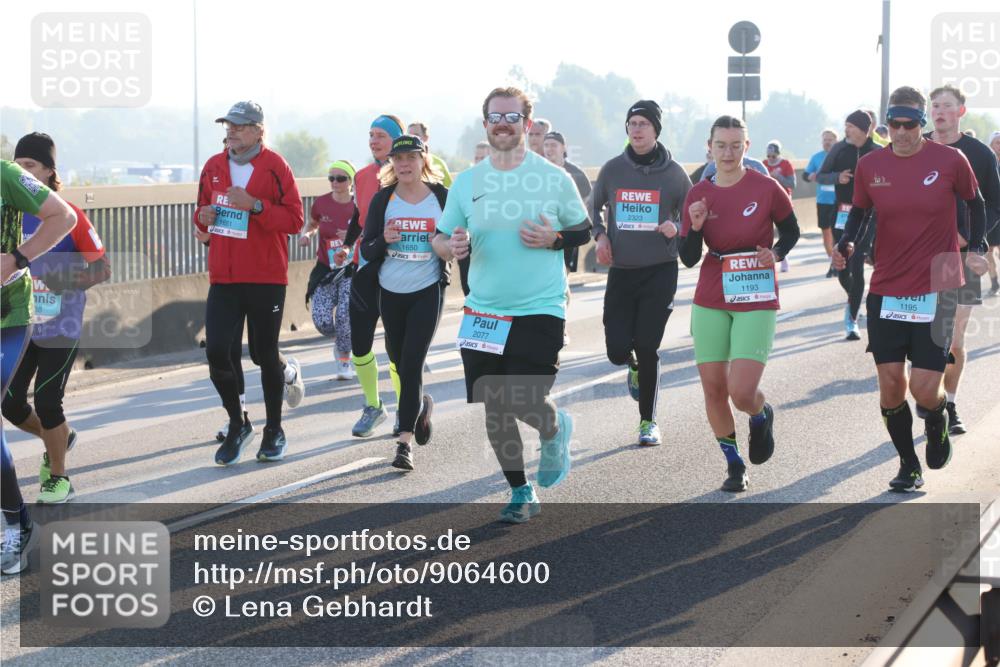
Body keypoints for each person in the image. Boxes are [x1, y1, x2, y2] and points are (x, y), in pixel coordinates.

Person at [433, 87, 591, 523]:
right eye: (495, 117)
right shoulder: (467, 182)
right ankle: (521, 490)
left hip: (540, 306)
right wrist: (450, 247)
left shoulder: (553, 178)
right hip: (483, 311)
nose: (503, 124)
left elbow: (583, 230)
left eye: (512, 117)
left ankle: (554, 428)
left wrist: (555, 238)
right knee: (494, 404)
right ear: (486, 123)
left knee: (521, 397)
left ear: (527, 122)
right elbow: (440, 238)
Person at [833, 86, 988, 492]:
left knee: (923, 389)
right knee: (890, 384)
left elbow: (976, 203)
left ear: (921, 123)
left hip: (939, 281)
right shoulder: (871, 165)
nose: (901, 132)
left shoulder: (951, 160)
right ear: (886, 124)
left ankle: (936, 417)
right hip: (888, 283)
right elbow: (860, 212)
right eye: (894, 124)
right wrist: (846, 243)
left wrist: (977, 245)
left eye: (909, 124)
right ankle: (908, 465)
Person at [680, 116, 799, 492]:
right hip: (712, 292)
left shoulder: (766, 187)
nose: (728, 153)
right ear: (709, 148)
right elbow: (687, 257)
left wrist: (775, 253)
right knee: (714, 390)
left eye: (736, 145)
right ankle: (734, 464)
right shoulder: (698, 193)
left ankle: (760, 414)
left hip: (756, 291)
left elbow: (791, 230)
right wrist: (695, 227)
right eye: (721, 145)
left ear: (746, 147)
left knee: (741, 392)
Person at [194, 101, 305, 465]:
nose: (232, 132)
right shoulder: (213, 167)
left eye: (240, 126)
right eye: (228, 126)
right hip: (224, 277)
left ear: (259, 131)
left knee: (263, 354)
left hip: (265, 276)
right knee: (217, 352)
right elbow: (201, 219)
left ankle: (274, 429)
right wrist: (203, 217)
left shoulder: (275, 166)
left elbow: (295, 219)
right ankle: (238, 423)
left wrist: (255, 206)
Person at [2, 133, 110, 505]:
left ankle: (58, 477)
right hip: (21, 323)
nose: (22, 172)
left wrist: (65, 279)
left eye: (30, 166)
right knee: (10, 404)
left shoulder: (69, 215)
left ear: (49, 172)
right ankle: (59, 436)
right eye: (17, 165)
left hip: (61, 325)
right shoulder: (9, 214)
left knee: (48, 401)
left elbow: (102, 268)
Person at [591, 100, 691, 446]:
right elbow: (592, 209)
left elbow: (692, 216)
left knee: (648, 346)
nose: (636, 129)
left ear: (656, 130)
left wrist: (677, 227)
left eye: (643, 124)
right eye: (632, 123)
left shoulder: (674, 173)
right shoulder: (613, 169)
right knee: (617, 350)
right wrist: (600, 236)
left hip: (660, 270)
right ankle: (630, 364)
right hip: (622, 270)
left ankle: (648, 421)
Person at [1, 159, 76, 573]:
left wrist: (16, 259)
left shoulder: (6, 175)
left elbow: (64, 217)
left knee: (21, 404)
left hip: (10, 316)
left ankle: (17, 523)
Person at [361, 135, 450, 470]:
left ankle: (404, 444)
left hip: (427, 289)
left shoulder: (441, 197)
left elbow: (459, 238)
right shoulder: (383, 199)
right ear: (392, 164)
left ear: (423, 159)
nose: (404, 164)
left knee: (412, 364)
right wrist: (383, 240)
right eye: (398, 159)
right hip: (390, 292)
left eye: (411, 157)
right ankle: (421, 407)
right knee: (399, 362)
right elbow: (367, 249)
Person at [925, 85, 1000, 435]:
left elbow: (995, 204)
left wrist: (970, 238)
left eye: (946, 106)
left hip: (961, 256)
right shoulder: (914, 147)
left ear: (960, 112)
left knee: (953, 337)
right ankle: (928, 399)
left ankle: (949, 405)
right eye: (935, 105)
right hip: (916, 257)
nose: (939, 111)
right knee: (924, 337)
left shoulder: (979, 153)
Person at [349, 114, 406, 437]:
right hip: (366, 266)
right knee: (359, 343)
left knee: (395, 345)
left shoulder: (410, 175)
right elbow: (358, 218)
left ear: (396, 139)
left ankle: (404, 408)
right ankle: (373, 405)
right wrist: (347, 248)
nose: (374, 140)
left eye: (381, 135)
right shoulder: (361, 176)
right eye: (371, 134)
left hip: (400, 267)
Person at [818, 110, 881, 340]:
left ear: (865, 129)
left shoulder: (877, 152)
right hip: (842, 213)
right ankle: (852, 298)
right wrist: (837, 177)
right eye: (846, 126)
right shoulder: (839, 149)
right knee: (842, 266)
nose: (846, 130)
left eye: (851, 127)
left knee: (857, 263)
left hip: (867, 216)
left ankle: (851, 320)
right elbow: (820, 175)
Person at [301, 160, 360, 381]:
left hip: (350, 269)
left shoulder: (359, 205)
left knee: (345, 315)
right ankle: (342, 339)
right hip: (326, 268)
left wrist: (353, 237)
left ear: (351, 181)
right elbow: (313, 223)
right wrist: (307, 234)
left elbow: (371, 230)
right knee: (322, 320)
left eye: (341, 178)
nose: (335, 182)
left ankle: (344, 358)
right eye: (331, 178)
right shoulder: (321, 203)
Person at [542, 130, 592, 273]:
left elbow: (588, 202)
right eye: (546, 145)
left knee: (564, 273)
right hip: (543, 231)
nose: (549, 149)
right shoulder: (538, 171)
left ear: (563, 148)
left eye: (553, 145)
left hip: (568, 233)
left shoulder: (576, 173)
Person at [804, 129, 840, 275]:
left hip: (840, 201)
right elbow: (805, 174)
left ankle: (839, 263)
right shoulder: (816, 157)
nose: (827, 142)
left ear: (836, 141)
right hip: (823, 200)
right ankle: (832, 262)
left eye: (830, 140)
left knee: (839, 233)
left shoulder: (841, 156)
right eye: (825, 140)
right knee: (826, 233)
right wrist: (809, 176)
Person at [764, 140, 796, 273]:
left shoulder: (786, 164)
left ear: (778, 154)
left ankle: (783, 258)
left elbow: (792, 184)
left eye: (773, 156)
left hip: (783, 203)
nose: (771, 159)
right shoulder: (763, 164)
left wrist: (778, 177)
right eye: (768, 156)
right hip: (767, 202)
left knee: (784, 232)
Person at [407, 122, 453, 188]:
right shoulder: (402, 164)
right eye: (409, 136)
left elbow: (450, 191)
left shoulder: (439, 164)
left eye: (416, 136)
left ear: (426, 137)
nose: (412, 139)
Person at [987, 130, 1000, 296]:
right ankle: (994, 283)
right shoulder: (987, 163)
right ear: (991, 145)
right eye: (997, 142)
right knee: (988, 251)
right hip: (990, 214)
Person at [699, 153, 769, 182]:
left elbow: (770, 192)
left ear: (746, 145)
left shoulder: (756, 166)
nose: (728, 152)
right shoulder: (711, 168)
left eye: (736, 146)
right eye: (722, 146)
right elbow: (700, 193)